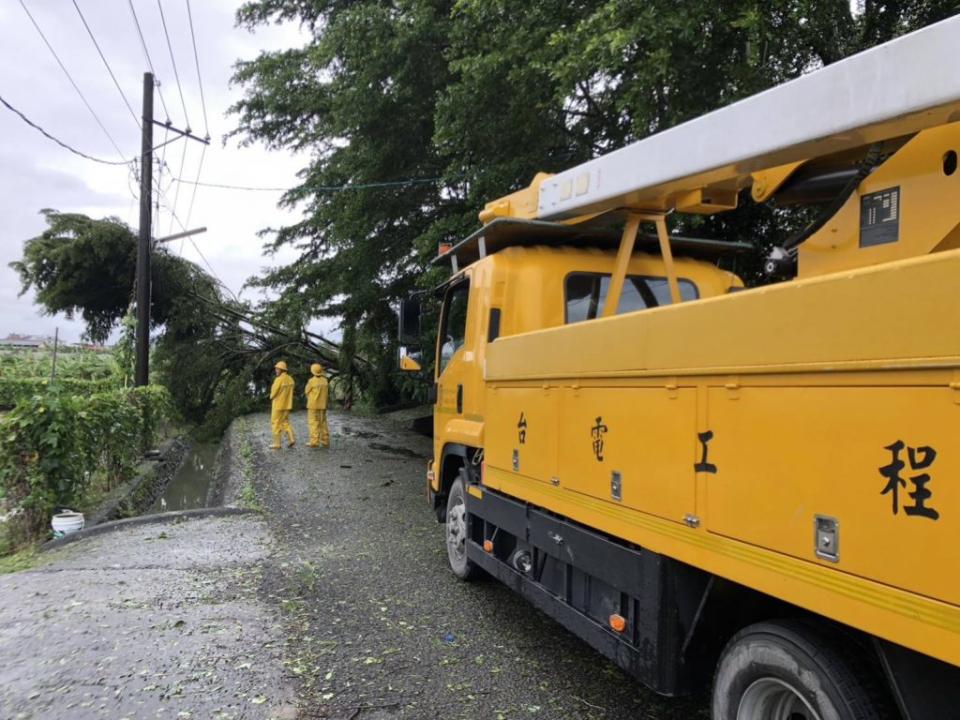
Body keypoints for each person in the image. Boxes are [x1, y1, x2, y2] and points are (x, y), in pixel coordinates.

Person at [270, 360, 295, 449]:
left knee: (275, 423)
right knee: (285, 422)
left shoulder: (278, 380)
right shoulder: (291, 379)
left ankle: (277, 444)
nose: (276, 370)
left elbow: (273, 393)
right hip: (287, 405)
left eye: (277, 369)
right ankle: (291, 439)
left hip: (278, 405)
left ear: (281, 369)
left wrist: (271, 396)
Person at [305, 362, 330, 448]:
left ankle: (314, 442)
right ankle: (325, 441)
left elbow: (306, 391)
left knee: (313, 423)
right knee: (323, 423)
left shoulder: (311, 381)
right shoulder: (325, 381)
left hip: (313, 406)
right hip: (323, 406)